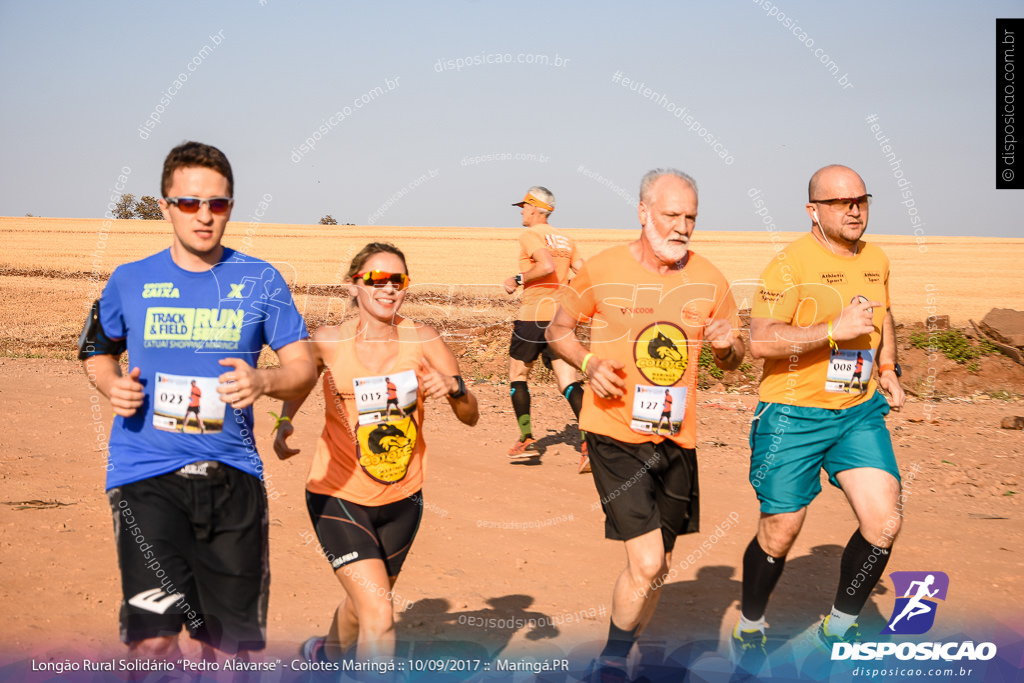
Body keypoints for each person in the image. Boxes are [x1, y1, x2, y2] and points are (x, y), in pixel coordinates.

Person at [79, 141, 317, 661]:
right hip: (146, 475)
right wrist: (109, 382)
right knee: (154, 639)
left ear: (231, 205)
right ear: (164, 205)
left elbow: (304, 367)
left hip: (233, 477)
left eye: (218, 203)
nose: (204, 216)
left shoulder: (262, 280)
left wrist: (264, 383)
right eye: (189, 202)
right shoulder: (129, 279)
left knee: (229, 649)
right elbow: (97, 349)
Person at [546, 169, 744, 678]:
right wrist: (589, 365)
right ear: (642, 212)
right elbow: (558, 330)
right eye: (670, 214)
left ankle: (627, 649)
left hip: (678, 438)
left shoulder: (710, 279)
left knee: (658, 567)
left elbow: (733, 359)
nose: (681, 227)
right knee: (649, 562)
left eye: (690, 217)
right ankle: (612, 660)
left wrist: (728, 347)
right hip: (614, 432)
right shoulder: (603, 269)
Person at [731, 164, 906, 668]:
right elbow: (760, 340)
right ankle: (751, 626)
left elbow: (883, 313)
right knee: (780, 530)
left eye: (861, 199)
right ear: (813, 210)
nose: (855, 209)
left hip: (856, 410)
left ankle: (839, 628)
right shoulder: (788, 266)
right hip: (792, 414)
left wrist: (888, 366)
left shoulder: (876, 258)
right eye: (840, 202)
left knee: (884, 521)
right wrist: (834, 328)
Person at [273, 242, 479, 663]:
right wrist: (283, 420)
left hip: (404, 498)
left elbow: (470, 414)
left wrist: (453, 388)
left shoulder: (423, 339)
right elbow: (300, 381)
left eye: (397, 280)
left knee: (364, 603)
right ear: (353, 286)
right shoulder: (330, 340)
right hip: (338, 495)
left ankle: (326, 658)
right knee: (380, 613)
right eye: (376, 280)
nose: (388, 289)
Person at [502, 186, 589, 471]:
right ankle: (589, 444)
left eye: (524, 207)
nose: (522, 212)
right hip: (561, 318)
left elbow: (546, 265)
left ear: (536, 208)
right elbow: (584, 270)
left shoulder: (530, 235)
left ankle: (526, 439)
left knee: (518, 375)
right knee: (568, 382)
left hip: (534, 316)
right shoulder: (565, 239)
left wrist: (517, 278)